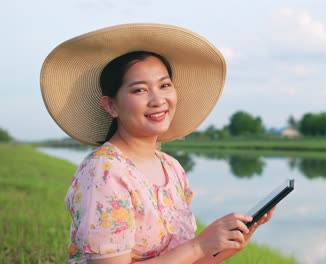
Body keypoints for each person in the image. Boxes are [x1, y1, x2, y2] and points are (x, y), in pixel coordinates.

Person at [40, 23, 275, 263]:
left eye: (164, 85)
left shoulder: (172, 168)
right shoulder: (104, 172)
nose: (157, 100)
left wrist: (231, 241)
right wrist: (199, 245)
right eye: (140, 90)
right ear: (111, 105)